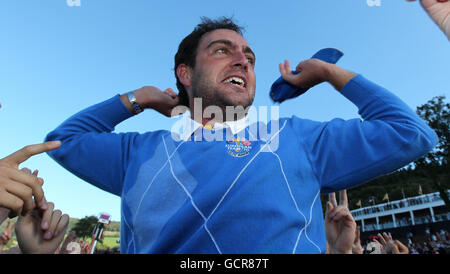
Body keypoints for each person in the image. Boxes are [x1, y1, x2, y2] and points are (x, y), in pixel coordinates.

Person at [45, 17, 437, 254]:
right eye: (222, 50)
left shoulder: (296, 137)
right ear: (185, 74)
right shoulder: (139, 151)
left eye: (249, 57)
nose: (242, 60)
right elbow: (64, 140)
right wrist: (139, 99)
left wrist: (329, 73)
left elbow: (411, 133)